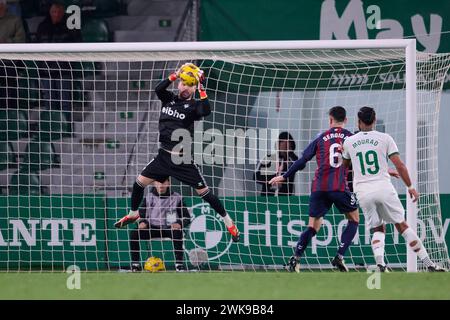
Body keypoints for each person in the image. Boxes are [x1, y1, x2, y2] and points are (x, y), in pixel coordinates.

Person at [115, 63, 240, 242]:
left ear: (194, 88)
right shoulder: (169, 99)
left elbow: (206, 110)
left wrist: (202, 86)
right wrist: (175, 75)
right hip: (163, 157)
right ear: (179, 84)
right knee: (138, 184)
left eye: (189, 84)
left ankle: (229, 223)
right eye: (183, 83)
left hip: (182, 160)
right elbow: (158, 89)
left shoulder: (194, 106)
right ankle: (134, 214)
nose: (185, 86)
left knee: (206, 194)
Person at [342, 106, 446, 272]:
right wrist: (410, 187)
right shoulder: (385, 138)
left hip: (363, 190)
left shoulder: (349, 142)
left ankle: (380, 263)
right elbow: (400, 165)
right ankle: (429, 264)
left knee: (377, 228)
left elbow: (344, 167)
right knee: (402, 225)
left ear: (358, 121)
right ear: (374, 120)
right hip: (383, 187)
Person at [269, 106, 359, 272]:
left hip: (319, 187)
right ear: (345, 120)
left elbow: (302, 160)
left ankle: (296, 258)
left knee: (312, 227)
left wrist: (284, 176)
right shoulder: (351, 137)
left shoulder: (321, 137)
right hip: (339, 186)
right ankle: (339, 256)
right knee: (354, 219)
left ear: (330, 120)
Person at [129, 179, 191, 272]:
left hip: (169, 228)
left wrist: (179, 224)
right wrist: (142, 222)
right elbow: (141, 213)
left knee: (177, 233)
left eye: (163, 182)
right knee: (134, 234)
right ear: (154, 183)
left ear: (168, 183)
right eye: (158, 182)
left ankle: (179, 265)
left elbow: (187, 217)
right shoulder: (149, 196)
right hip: (152, 228)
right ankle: (135, 265)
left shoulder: (177, 197)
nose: (161, 185)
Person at [254, 131, 298, 196]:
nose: (285, 146)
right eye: (282, 143)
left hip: (286, 198)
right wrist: (271, 181)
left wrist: (290, 152)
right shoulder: (269, 158)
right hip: (267, 197)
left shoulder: (292, 161)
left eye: (287, 144)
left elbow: (301, 164)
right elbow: (256, 176)